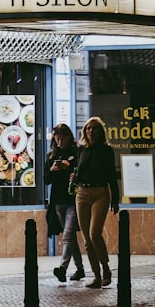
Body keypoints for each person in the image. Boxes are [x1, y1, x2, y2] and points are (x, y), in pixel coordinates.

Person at [73, 116, 119, 289]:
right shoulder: (81, 149)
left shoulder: (107, 150)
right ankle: (96, 276)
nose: (91, 131)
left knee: (94, 234)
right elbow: (77, 169)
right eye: (88, 129)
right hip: (82, 193)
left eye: (94, 128)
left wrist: (115, 198)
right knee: (86, 239)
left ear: (101, 132)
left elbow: (112, 176)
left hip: (101, 193)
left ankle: (106, 268)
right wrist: (74, 176)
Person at [45, 123, 84, 282]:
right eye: (57, 138)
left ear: (69, 137)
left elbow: (81, 173)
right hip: (57, 201)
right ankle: (80, 269)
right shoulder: (51, 156)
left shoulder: (76, 153)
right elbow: (46, 180)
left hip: (73, 199)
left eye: (63, 138)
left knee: (68, 234)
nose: (60, 141)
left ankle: (62, 268)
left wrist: (69, 167)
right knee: (70, 237)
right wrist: (53, 170)